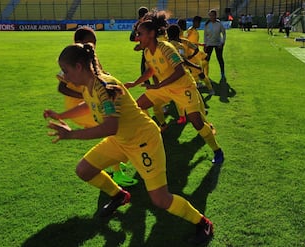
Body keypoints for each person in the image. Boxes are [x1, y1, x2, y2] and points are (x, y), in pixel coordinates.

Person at [45, 43, 214, 244]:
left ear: (79, 67)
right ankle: (119, 196)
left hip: (143, 141)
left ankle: (203, 223)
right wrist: (61, 115)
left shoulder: (104, 87)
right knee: (84, 170)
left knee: (161, 200)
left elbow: (110, 127)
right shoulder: (89, 86)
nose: (64, 75)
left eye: (66, 70)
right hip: (121, 140)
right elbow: (88, 105)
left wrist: (71, 135)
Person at [124, 18, 224, 165]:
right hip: (165, 88)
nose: (137, 37)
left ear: (151, 34)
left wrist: (158, 86)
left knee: (197, 122)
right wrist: (135, 83)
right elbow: (151, 70)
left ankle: (217, 151)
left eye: (140, 33)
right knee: (137, 107)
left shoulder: (166, 47)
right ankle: (151, 135)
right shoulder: (147, 52)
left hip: (184, 88)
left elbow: (180, 71)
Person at [56, 27, 138, 187]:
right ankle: (117, 173)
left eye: (94, 43)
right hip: (81, 103)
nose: (92, 47)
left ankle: (115, 160)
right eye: (89, 43)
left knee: (112, 127)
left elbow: (99, 74)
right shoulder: (72, 61)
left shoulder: (88, 57)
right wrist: (88, 95)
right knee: (110, 128)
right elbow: (62, 87)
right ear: (78, 43)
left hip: (92, 99)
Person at [204, 9, 226, 82]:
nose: (211, 17)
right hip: (209, 44)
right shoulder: (207, 24)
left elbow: (224, 33)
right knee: (206, 59)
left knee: (220, 58)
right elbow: (205, 35)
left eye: (212, 15)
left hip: (218, 44)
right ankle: (205, 74)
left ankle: (222, 73)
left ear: (215, 16)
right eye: (210, 15)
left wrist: (222, 43)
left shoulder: (219, 24)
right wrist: (205, 44)